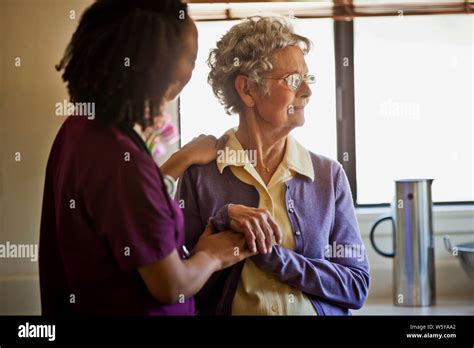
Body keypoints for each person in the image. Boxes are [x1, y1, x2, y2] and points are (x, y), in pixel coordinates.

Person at [39, 0, 256, 316]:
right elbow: (170, 286)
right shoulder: (120, 161)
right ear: (157, 65)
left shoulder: (80, 127)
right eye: (190, 59)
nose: (191, 73)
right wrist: (212, 255)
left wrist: (180, 160)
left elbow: (126, 214)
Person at [178, 16, 370, 315]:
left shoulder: (328, 175)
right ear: (247, 90)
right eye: (293, 79)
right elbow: (183, 290)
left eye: (308, 78)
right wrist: (220, 225)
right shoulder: (199, 176)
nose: (307, 91)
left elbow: (356, 286)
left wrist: (273, 257)